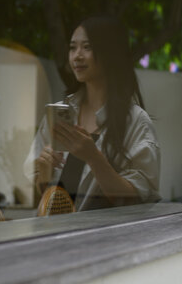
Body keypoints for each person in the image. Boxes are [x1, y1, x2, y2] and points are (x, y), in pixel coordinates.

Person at [24, 16, 161, 211]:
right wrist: (43, 174)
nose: (77, 56)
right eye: (73, 48)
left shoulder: (136, 122)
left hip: (104, 238)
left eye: (87, 47)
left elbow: (136, 199)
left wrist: (93, 157)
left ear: (109, 52)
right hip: (53, 235)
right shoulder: (58, 114)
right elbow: (43, 199)